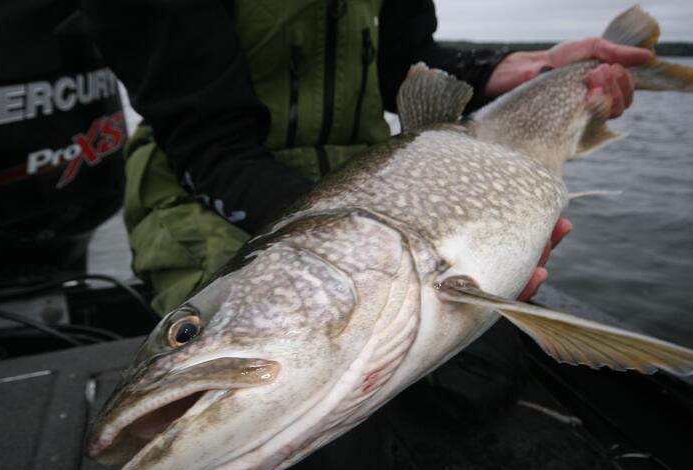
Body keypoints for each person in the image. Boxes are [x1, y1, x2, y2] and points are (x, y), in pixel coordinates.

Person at [82, 0, 647, 316]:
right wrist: (373, 245)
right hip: (204, 187)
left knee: (477, 373)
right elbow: (211, 145)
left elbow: (406, 62)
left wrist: (516, 72)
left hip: (381, 179)